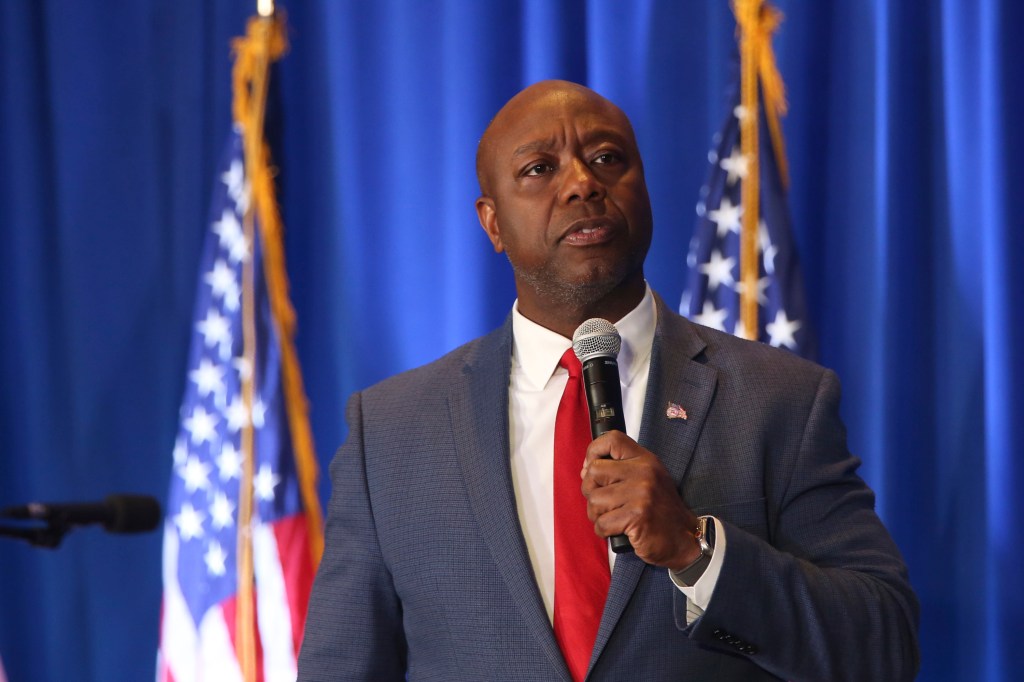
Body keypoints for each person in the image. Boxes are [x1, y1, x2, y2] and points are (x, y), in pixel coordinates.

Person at [297, 80, 919, 681]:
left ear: (644, 189)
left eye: (606, 158)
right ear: (491, 223)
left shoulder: (779, 399)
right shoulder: (392, 430)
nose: (582, 184)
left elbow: (883, 647)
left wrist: (697, 548)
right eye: (540, 169)